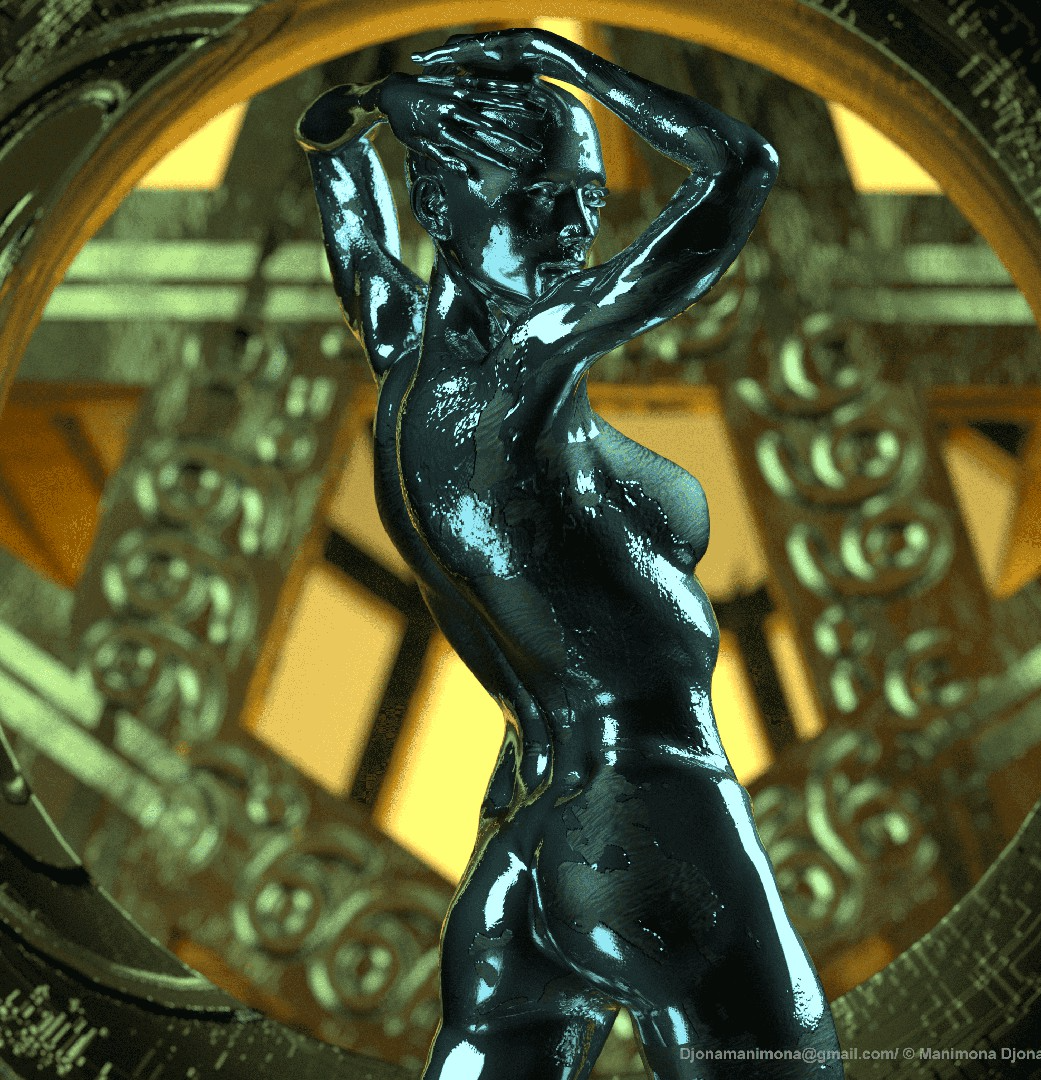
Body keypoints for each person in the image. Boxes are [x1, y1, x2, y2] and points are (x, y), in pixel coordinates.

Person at [297, 28, 843, 1079]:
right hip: (654, 822)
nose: (571, 232)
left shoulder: (405, 358)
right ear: (438, 206)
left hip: (521, 847)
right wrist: (571, 63)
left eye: (587, 203)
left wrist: (354, 120)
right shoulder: (526, 358)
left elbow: (348, 207)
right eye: (536, 199)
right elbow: (741, 168)